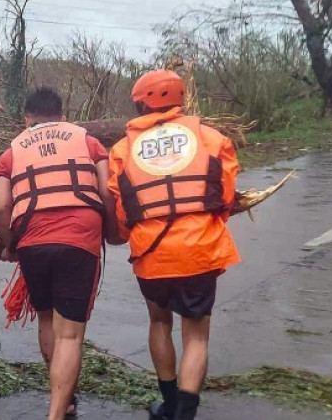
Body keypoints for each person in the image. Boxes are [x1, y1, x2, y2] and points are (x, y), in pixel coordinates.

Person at [107, 70, 240, 420]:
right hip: (199, 248)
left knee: (159, 322)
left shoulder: (122, 149)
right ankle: (184, 413)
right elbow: (225, 199)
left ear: (140, 103)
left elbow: (123, 212)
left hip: (152, 255)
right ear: (180, 99)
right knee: (196, 335)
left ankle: (167, 403)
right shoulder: (212, 139)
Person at [0, 87, 119, 420]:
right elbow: (107, 190)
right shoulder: (88, 142)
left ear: (27, 119)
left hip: (32, 238)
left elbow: (1, 206)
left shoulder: (11, 153)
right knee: (70, 334)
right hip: (80, 236)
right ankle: (58, 411)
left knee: (47, 318)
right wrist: (114, 231)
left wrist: (10, 245)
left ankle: (64, 399)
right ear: (63, 116)